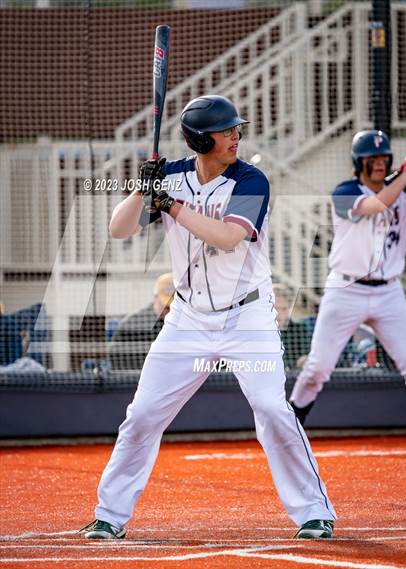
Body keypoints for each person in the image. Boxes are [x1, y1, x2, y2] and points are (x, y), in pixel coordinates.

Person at [80, 95, 336, 540]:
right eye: (226, 130)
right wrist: (144, 189)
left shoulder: (251, 180)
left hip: (247, 316)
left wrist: (170, 205)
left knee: (272, 409)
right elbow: (118, 229)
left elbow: (228, 237)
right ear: (201, 139)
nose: (236, 136)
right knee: (143, 414)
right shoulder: (171, 177)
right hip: (187, 318)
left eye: (236, 128)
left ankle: (315, 512)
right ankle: (110, 514)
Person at [289, 130, 406, 430]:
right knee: (317, 369)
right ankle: (290, 426)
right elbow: (376, 205)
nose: (379, 163)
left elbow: (398, 195)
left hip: (389, 293)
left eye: (383, 158)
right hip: (346, 289)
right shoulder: (345, 190)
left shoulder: (405, 193)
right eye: (372, 158)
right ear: (358, 162)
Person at [109, 273, 175, 370]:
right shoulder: (132, 324)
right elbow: (116, 357)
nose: (169, 309)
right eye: (166, 306)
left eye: (172, 306)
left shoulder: (183, 325)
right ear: (155, 297)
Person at [272, 284, 311, 370]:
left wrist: (302, 361)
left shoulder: (299, 329)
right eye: (276, 309)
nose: (279, 314)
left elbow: (304, 355)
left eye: (284, 309)